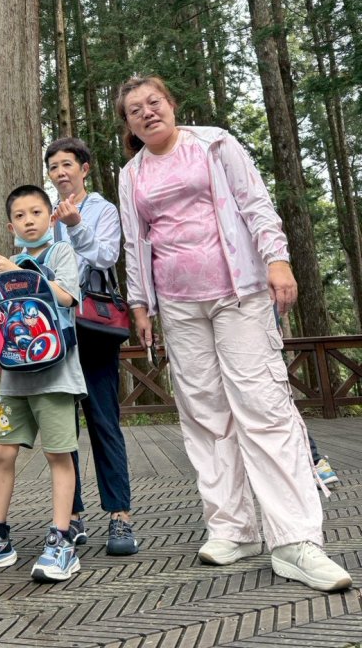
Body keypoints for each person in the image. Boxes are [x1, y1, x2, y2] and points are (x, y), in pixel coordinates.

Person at [116, 73, 352, 593]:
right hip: (178, 304)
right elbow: (135, 242)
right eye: (136, 110)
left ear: (172, 104)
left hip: (239, 292)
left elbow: (255, 204)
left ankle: (295, 539)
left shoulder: (215, 144)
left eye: (155, 101)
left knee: (263, 406)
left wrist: (278, 259)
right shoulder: (131, 174)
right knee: (204, 414)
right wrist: (139, 303)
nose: (148, 112)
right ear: (129, 125)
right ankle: (233, 527)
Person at [0, 185, 86, 583]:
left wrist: (19, 271)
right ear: (10, 223)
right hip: (14, 376)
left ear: (50, 217)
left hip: (57, 374)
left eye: (36, 213)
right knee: (0, 452)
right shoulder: (5, 261)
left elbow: (66, 297)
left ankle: (62, 539)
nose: (29, 221)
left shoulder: (60, 251)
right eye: (20, 215)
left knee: (58, 455)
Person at [45, 137, 138, 555]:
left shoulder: (103, 210)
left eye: (67, 164)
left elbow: (104, 257)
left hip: (94, 327)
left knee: (103, 420)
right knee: (64, 424)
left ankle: (120, 518)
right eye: (53, 167)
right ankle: (73, 516)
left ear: (84, 168)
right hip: (55, 329)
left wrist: (76, 224)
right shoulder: (45, 214)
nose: (60, 173)